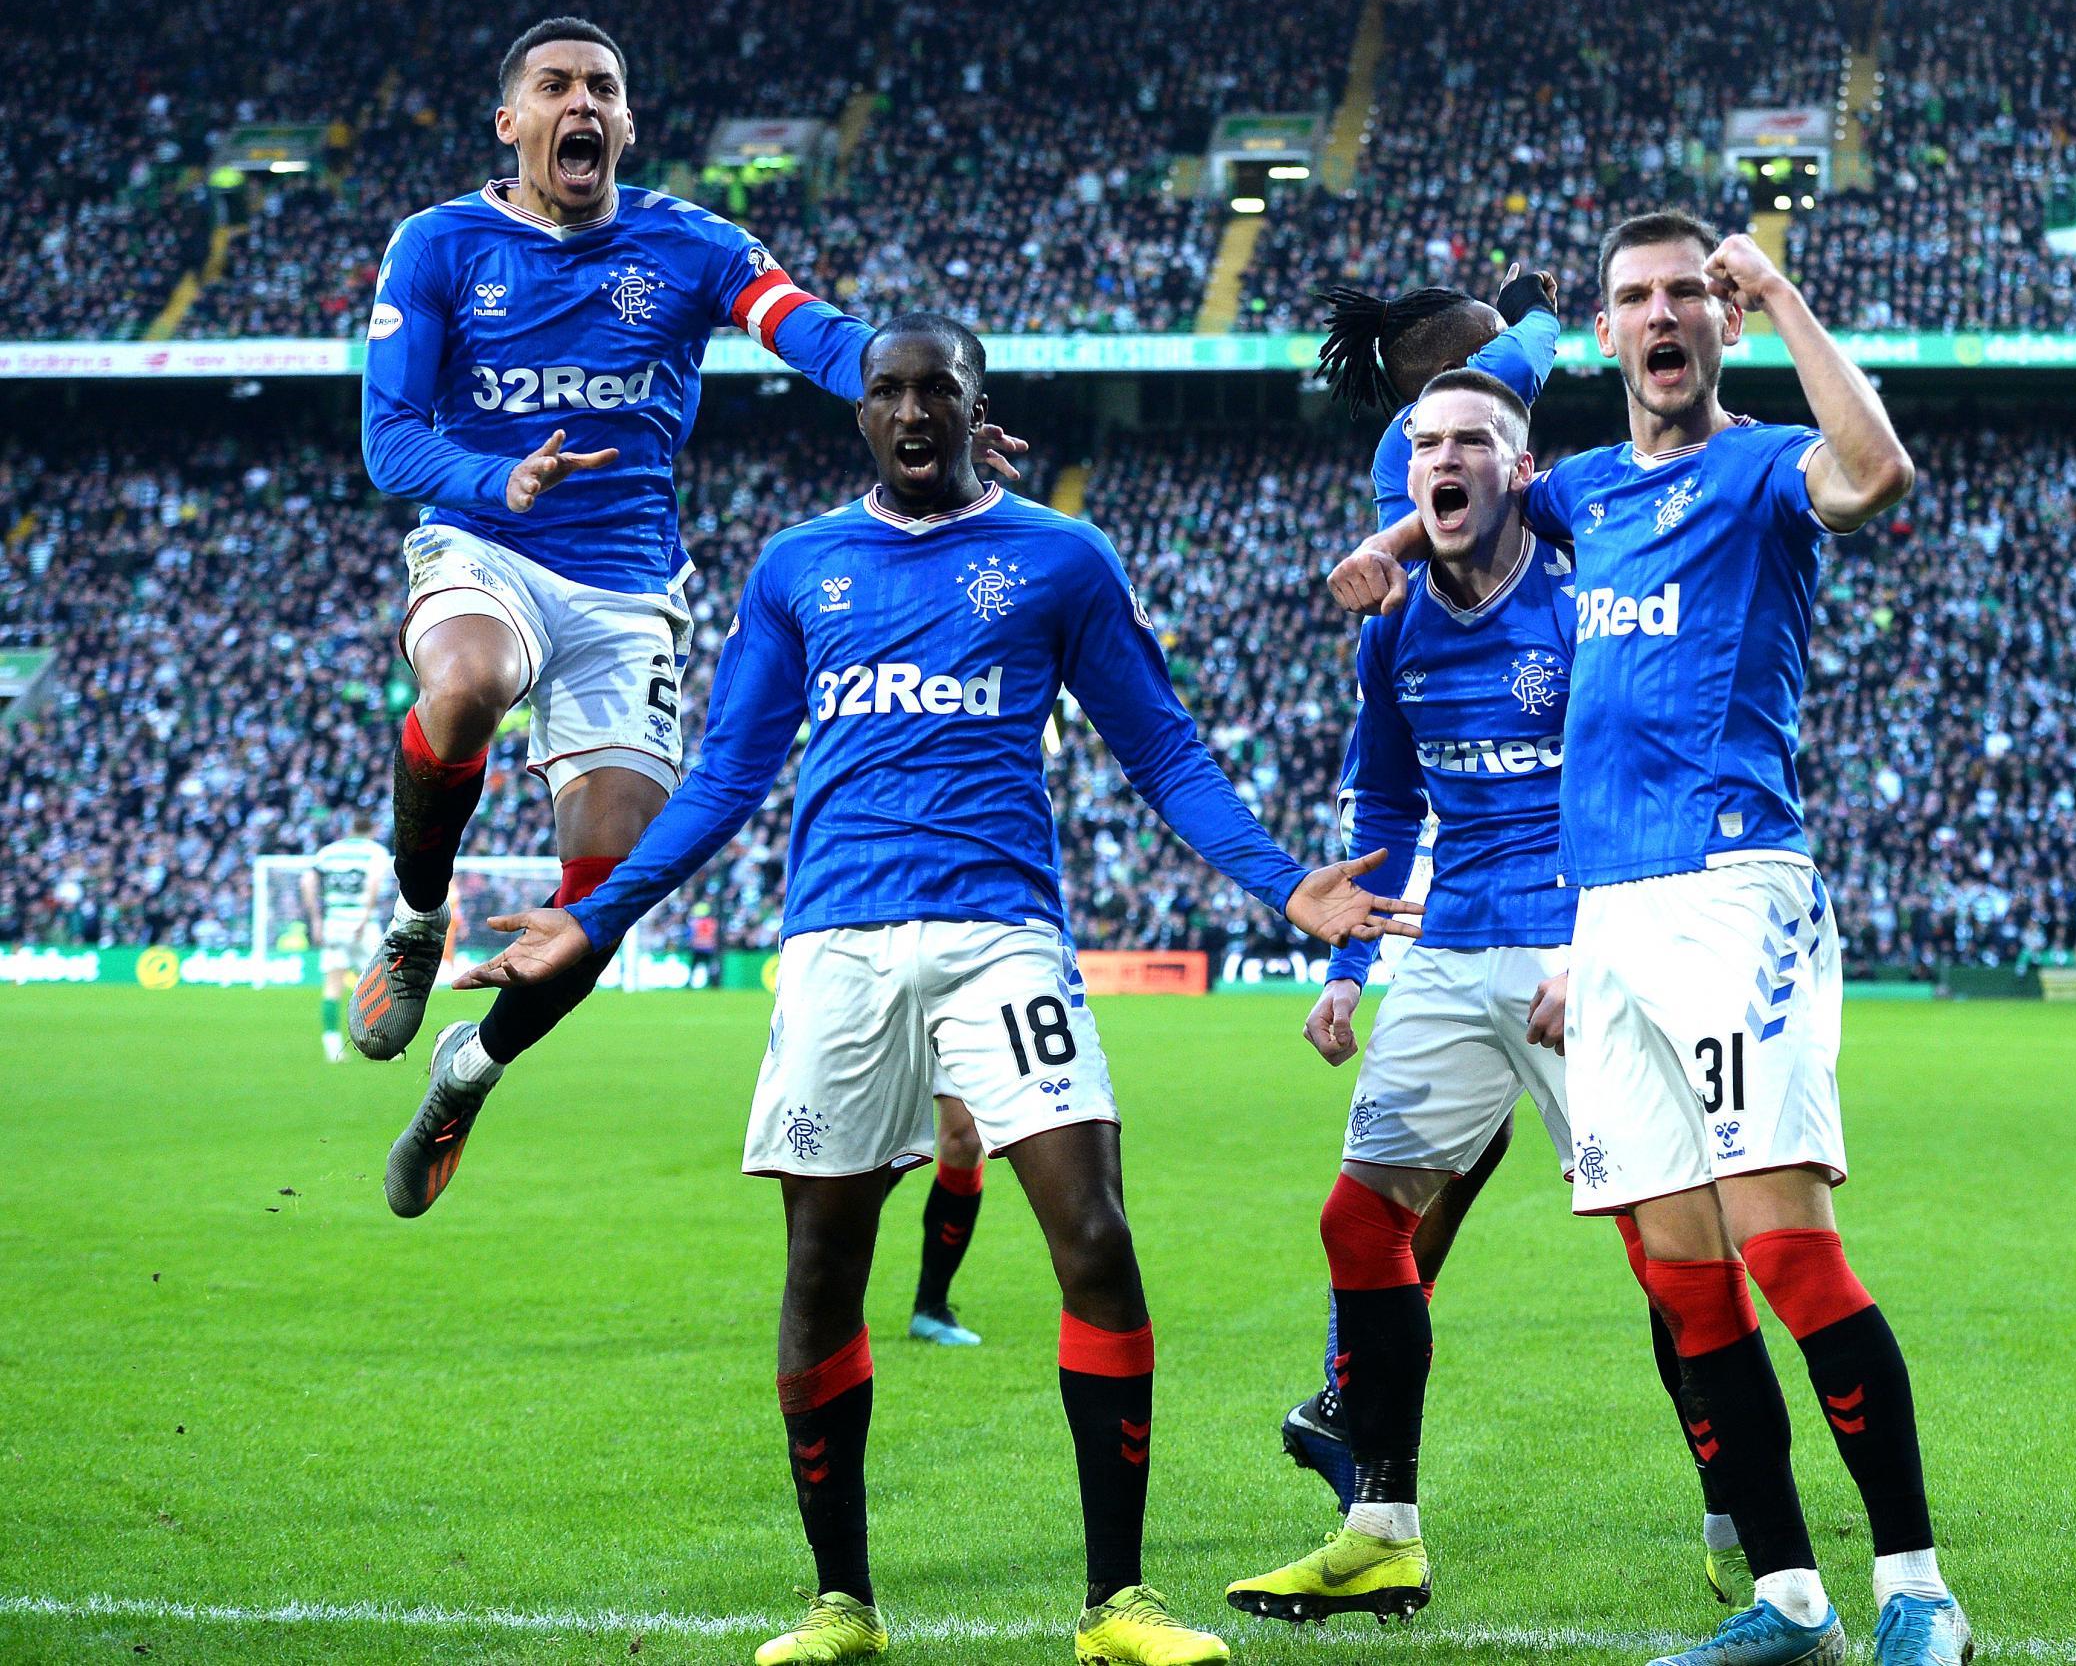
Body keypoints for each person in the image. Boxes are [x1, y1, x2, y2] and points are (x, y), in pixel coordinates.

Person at [453, 314, 1421, 1666]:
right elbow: (728, 774)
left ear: (979, 410)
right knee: (821, 1267)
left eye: (937, 392)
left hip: (1002, 934)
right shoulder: (799, 568)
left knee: (1095, 1237)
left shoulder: (1058, 557)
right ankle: (840, 1602)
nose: (912, 412)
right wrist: (594, 915)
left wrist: (1279, 880)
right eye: (889, 392)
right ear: (862, 412)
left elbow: (1160, 747)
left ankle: (1117, 1602)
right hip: (836, 948)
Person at [1332, 209, 1967, 1666]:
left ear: (1717, 324)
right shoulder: (1590, 494)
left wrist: (1786, 290)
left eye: (1691, 293)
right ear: (1604, 334)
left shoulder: (1760, 469)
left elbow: (1874, 471)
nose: (1665, 314)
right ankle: (1791, 1598)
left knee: (1786, 1250)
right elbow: (1477, 491)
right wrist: (1380, 543)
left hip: (1733, 893)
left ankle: (1921, 1588)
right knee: (1683, 1276)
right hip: (1601, 921)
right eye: (1637, 298)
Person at [349, 17, 1023, 1219]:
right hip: (485, 541)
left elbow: (812, 330)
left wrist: (931, 393)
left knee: (607, 887)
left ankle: (469, 1072)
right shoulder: (438, 246)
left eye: (603, 88)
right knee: (462, 685)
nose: (582, 105)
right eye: (554, 87)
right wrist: (489, 480)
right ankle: (414, 921)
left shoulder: (691, 242)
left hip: (626, 591)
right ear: (510, 122)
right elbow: (388, 437)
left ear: (628, 122)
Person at [1228, 370, 1733, 1625]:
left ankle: (1742, 1509)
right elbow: (1389, 803)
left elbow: (1645, 773)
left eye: (1470, 443)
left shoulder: (1579, 603)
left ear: (1520, 470)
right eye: (1423, 448)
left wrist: (1603, 942)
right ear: (1408, 480)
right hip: (1449, 949)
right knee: (1360, 1222)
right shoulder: (1390, 629)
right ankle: (1380, 1529)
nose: (1442, 462)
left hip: (1580, 939)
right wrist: (1348, 968)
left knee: (1662, 1248)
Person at [1276, 265, 1575, 1509]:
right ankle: (1356, 1396)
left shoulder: (1414, 476)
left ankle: (1351, 1383)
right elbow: (1545, 345)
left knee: (1469, 1149)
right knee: (1464, 1167)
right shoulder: (1472, 402)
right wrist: (1533, 300)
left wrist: (1383, 539)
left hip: (1532, 890)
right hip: (1498, 892)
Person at [891, 1091, 989, 1346]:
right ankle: (825, 1286)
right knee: (888, 1139)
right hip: (888, 1049)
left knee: (965, 1140)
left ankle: (931, 1308)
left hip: (958, 1049)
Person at [302, 815, 388, 1062]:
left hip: (334, 925)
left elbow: (307, 880)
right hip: (362, 924)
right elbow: (373, 883)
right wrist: (365, 916)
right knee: (377, 985)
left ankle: (332, 1047)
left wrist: (316, 919)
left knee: (332, 985)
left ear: (350, 829)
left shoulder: (329, 852)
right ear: (371, 829)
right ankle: (381, 1043)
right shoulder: (375, 851)